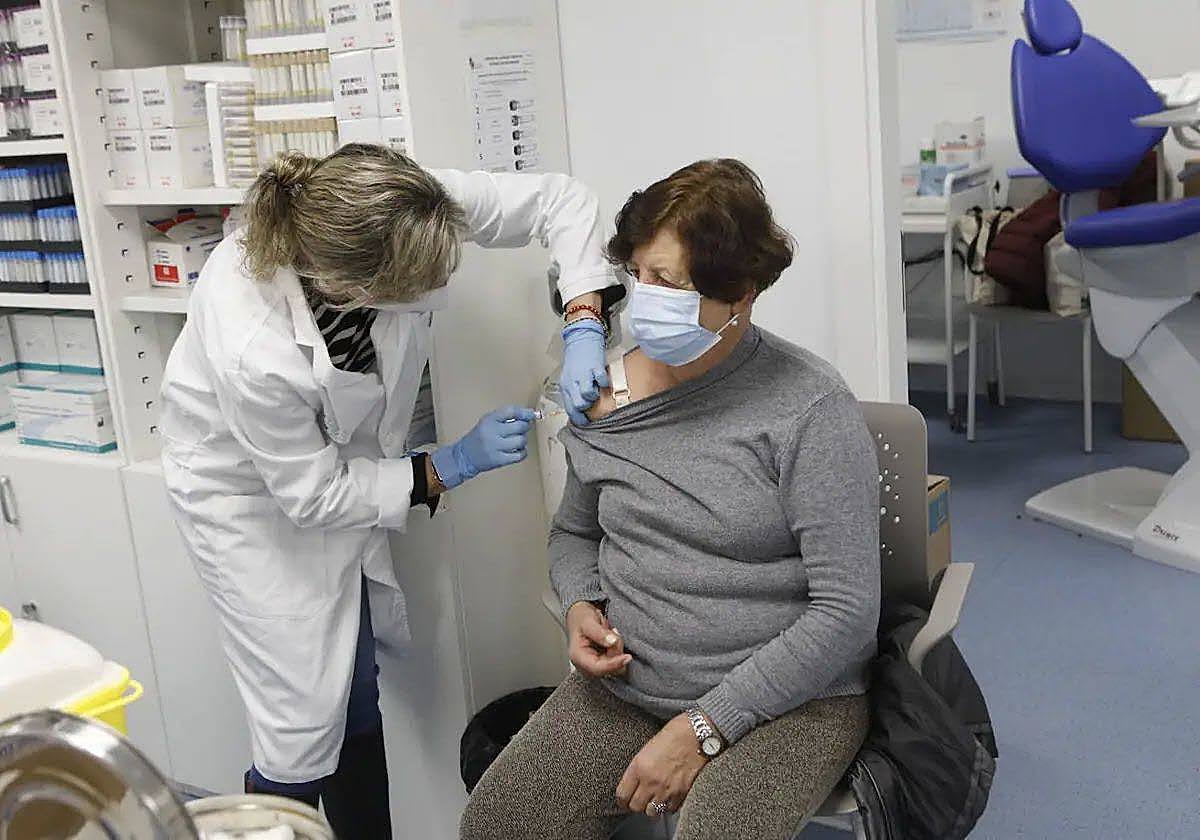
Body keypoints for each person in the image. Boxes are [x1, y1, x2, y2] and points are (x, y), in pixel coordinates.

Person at [159, 143, 623, 837]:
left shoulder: (401, 202)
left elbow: (562, 198)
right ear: (353, 289)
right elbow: (311, 496)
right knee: (300, 719)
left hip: (346, 469)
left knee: (356, 692)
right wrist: (447, 466)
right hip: (250, 499)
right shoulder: (252, 340)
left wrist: (584, 320)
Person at [460, 159, 882, 840]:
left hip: (790, 699)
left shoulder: (808, 408)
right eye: (638, 275)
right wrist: (577, 604)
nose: (645, 297)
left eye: (669, 282)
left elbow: (848, 613)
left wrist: (705, 727)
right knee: (499, 824)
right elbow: (575, 534)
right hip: (632, 683)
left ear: (740, 293)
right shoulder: (603, 395)